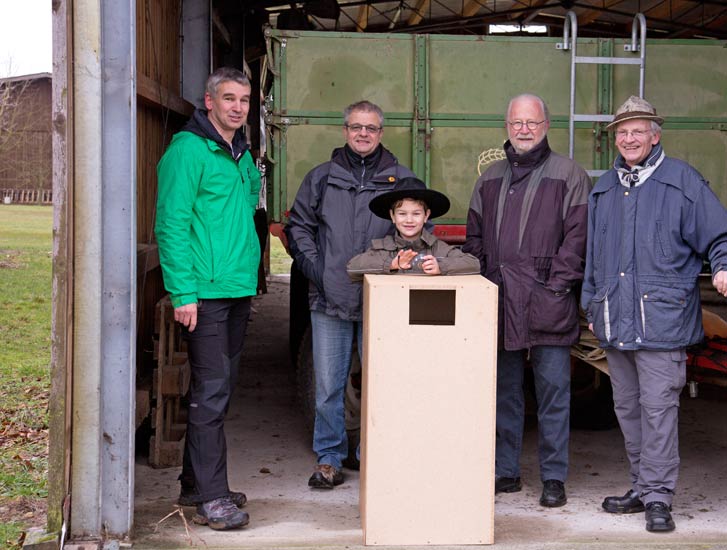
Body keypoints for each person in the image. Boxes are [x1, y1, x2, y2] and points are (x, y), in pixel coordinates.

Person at [581, 96, 727, 533]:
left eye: (638, 131)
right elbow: (594, 257)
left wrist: (723, 266)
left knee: (658, 410)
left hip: (661, 320)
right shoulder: (605, 188)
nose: (629, 139)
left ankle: (659, 496)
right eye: (622, 132)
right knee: (627, 408)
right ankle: (642, 488)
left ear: (655, 136)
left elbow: (719, 235)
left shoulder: (682, 181)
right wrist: (591, 304)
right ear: (615, 139)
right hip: (614, 317)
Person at [463, 93, 591, 508]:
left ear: (546, 126)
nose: (524, 130)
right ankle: (506, 471)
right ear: (507, 126)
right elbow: (474, 238)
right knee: (505, 392)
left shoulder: (569, 175)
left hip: (547, 302)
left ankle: (553, 477)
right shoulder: (489, 178)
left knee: (553, 394)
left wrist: (557, 286)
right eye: (517, 122)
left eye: (532, 123)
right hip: (501, 302)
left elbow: (578, 239)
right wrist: (485, 283)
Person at [285, 100, 416, 489]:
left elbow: (415, 230)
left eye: (371, 128)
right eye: (356, 127)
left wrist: (395, 270)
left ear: (381, 133)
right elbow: (299, 228)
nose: (363, 134)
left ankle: (371, 453)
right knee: (328, 386)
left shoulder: (401, 179)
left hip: (381, 300)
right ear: (345, 131)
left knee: (383, 383)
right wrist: (319, 271)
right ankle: (329, 457)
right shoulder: (322, 178)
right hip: (330, 298)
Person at [155, 67, 260, 530]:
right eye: (229, 98)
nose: (238, 107)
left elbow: (248, 203)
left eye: (244, 100)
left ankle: (195, 484)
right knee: (211, 393)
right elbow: (171, 224)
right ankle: (212, 499)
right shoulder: (188, 150)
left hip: (236, 287)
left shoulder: (240, 152)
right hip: (206, 294)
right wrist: (183, 292)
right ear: (210, 101)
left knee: (219, 388)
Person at [347, 177, 480, 279]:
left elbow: (473, 264)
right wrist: (392, 264)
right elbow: (353, 267)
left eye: (416, 214)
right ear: (392, 216)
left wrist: (441, 266)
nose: (409, 220)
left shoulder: (438, 248)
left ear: (426, 216)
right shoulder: (382, 249)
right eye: (402, 214)